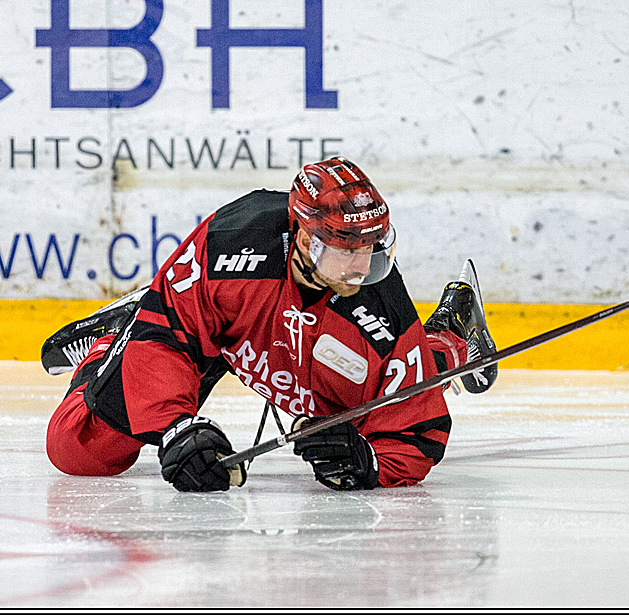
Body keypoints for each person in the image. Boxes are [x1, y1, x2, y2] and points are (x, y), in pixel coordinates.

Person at [45, 157, 496, 492]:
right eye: (346, 249)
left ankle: (452, 332)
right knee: (80, 451)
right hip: (221, 325)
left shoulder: (382, 306)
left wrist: (369, 462)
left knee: (364, 398)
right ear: (303, 237)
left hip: (297, 345)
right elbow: (166, 335)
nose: (361, 267)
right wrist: (176, 429)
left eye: (370, 248)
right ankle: (111, 340)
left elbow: (413, 423)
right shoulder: (229, 245)